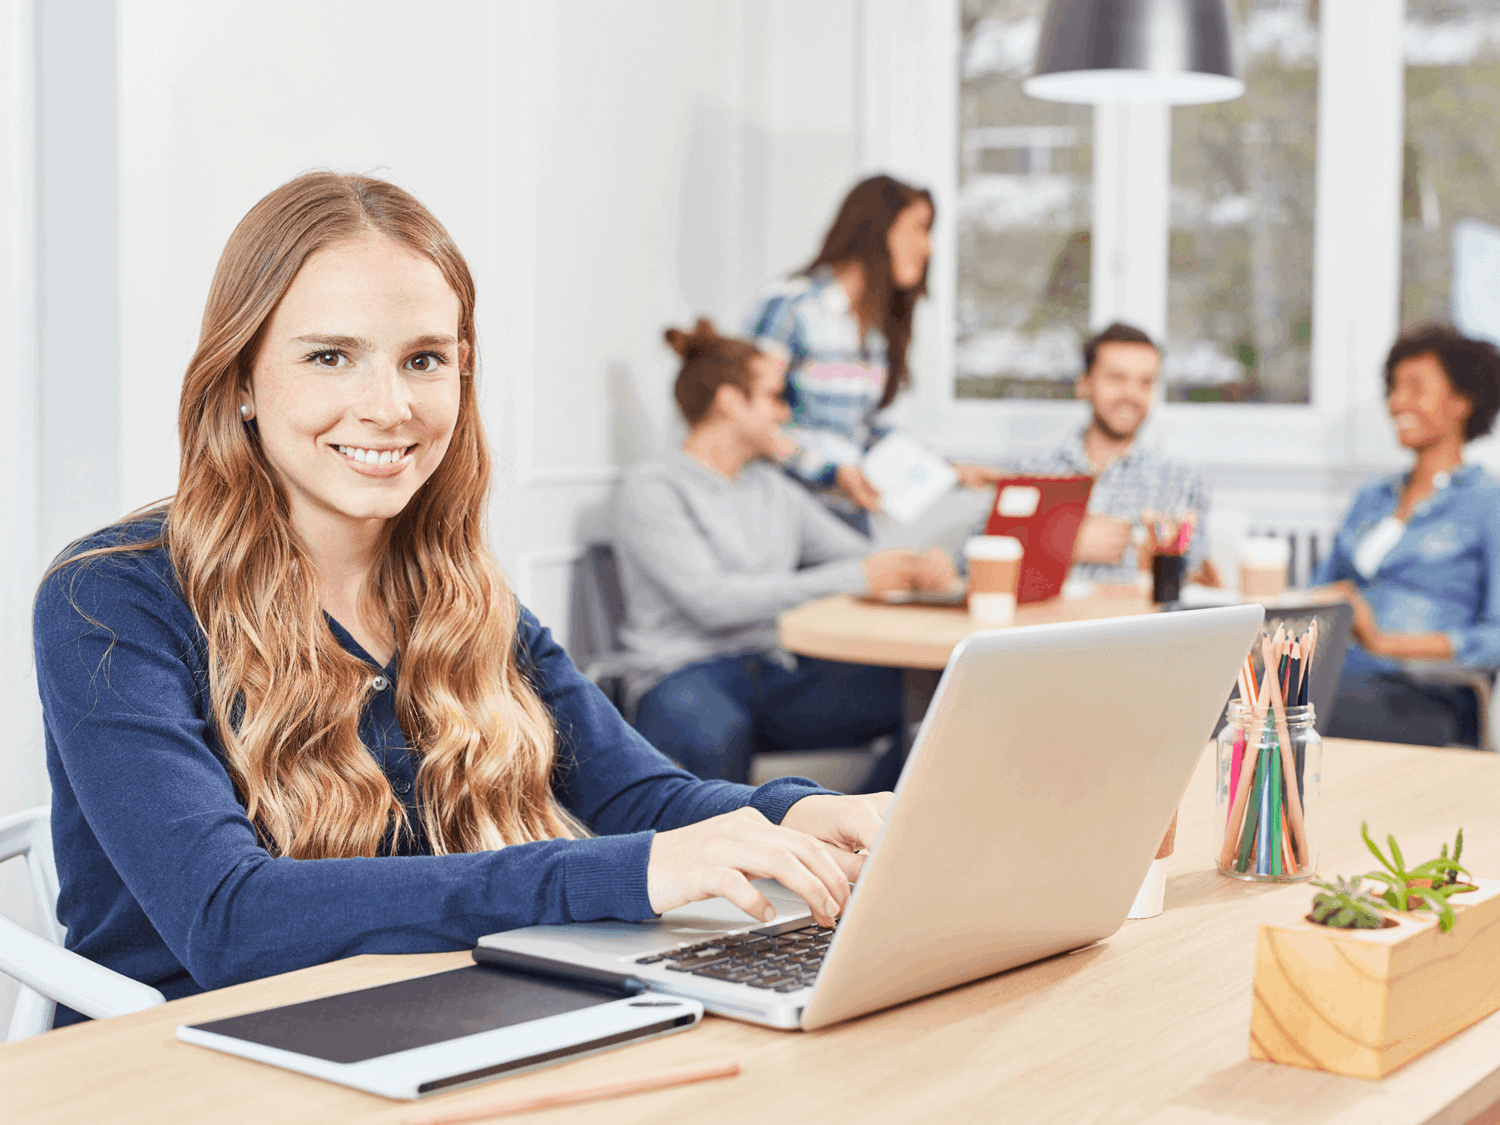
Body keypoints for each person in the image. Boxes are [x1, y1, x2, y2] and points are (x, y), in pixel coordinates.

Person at [31, 173, 892, 1026]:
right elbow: (230, 917)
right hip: (181, 1059)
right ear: (243, 379)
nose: (389, 406)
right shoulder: (108, 598)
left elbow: (642, 797)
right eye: (330, 355)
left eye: (424, 359)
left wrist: (802, 812)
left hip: (420, 1022)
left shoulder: (465, 594)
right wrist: (625, 872)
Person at [615, 319, 955, 789]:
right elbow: (712, 602)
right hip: (682, 673)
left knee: (939, 698)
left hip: (776, 670)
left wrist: (914, 567)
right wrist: (859, 577)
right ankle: (722, 861)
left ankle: (861, 845)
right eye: (775, 397)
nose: (784, 413)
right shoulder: (654, 487)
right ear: (731, 402)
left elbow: (861, 556)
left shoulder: (773, 488)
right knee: (707, 729)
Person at [745, 174, 999, 532]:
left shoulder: (872, 329)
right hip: (782, 515)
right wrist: (829, 470)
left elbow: (858, 434)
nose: (928, 248)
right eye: (918, 229)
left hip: (845, 517)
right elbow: (748, 420)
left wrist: (948, 470)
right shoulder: (791, 307)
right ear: (876, 229)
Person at [1314, 324, 1500, 747]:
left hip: (1426, 692)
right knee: (1228, 692)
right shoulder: (1371, 499)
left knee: (1272, 712)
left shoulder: (1488, 504)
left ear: (1462, 402)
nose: (1397, 402)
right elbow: (1318, 588)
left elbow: (1496, 635)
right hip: (1340, 675)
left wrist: (1383, 641)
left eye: (1415, 387)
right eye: (1394, 388)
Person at [970, 322, 1213, 588]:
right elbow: (967, 570)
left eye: (1145, 382)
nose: (1131, 394)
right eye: (1116, 378)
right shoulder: (1026, 472)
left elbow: (1193, 583)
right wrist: (1061, 546)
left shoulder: (1182, 481)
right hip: (1045, 627)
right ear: (1084, 384)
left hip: (1133, 627)